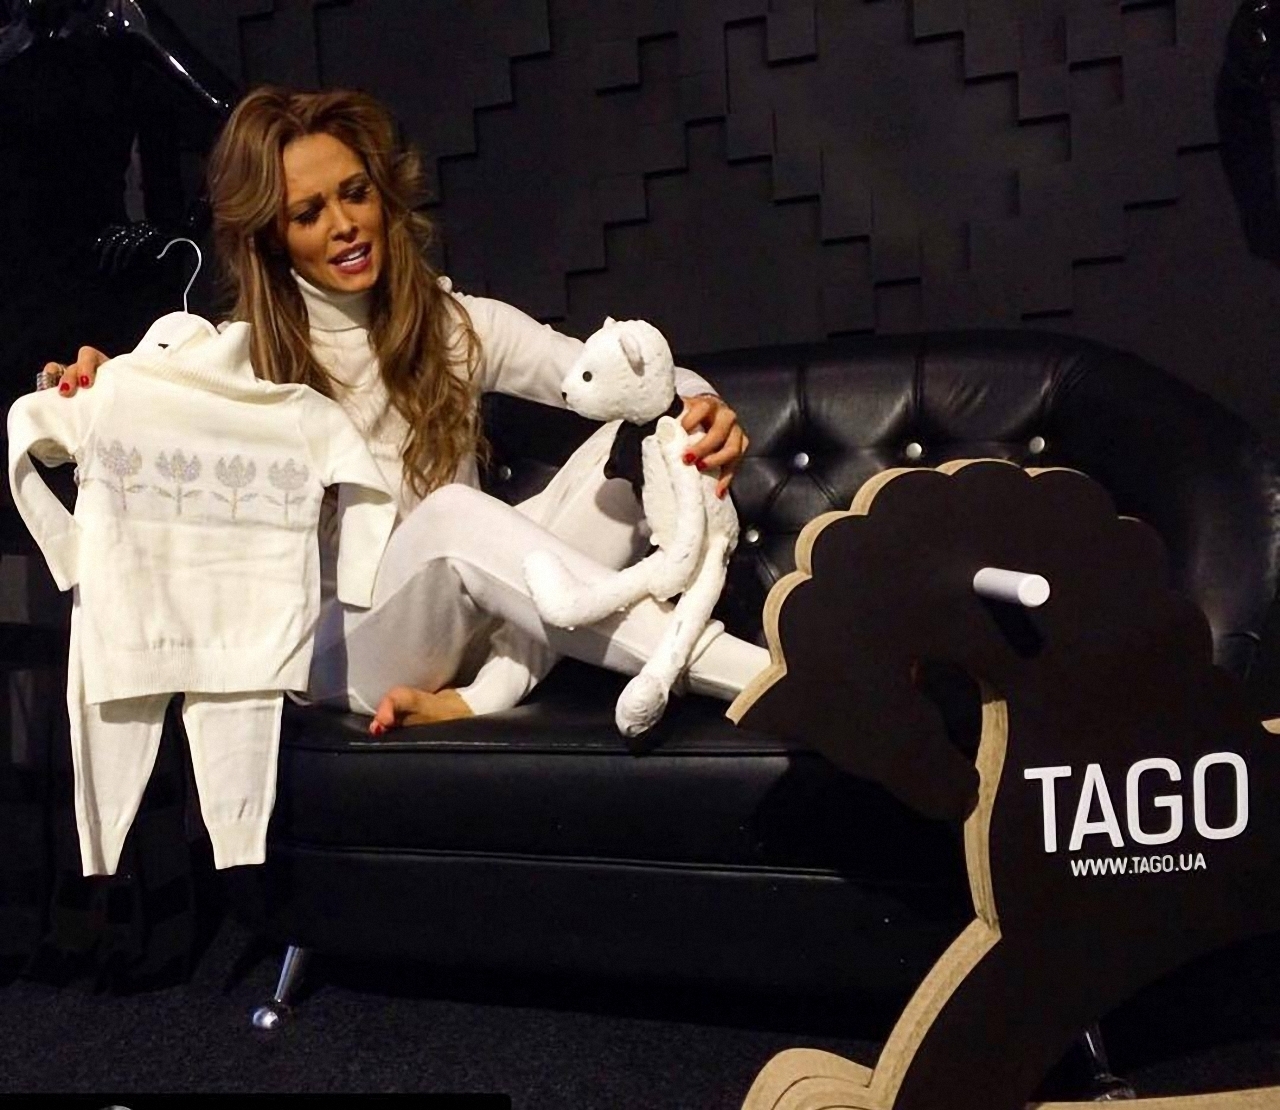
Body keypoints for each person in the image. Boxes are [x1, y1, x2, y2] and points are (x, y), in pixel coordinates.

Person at [44, 85, 769, 733]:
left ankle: (487, 692)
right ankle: (762, 676)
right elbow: (126, 414)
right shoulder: (238, 358)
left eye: (355, 193)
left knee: (640, 438)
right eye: (309, 213)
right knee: (451, 518)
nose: (343, 224)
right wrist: (97, 390)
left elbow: (618, 374)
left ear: (382, 196)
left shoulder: (456, 325)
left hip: (471, 625)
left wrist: (699, 409)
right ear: (274, 238)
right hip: (344, 654)